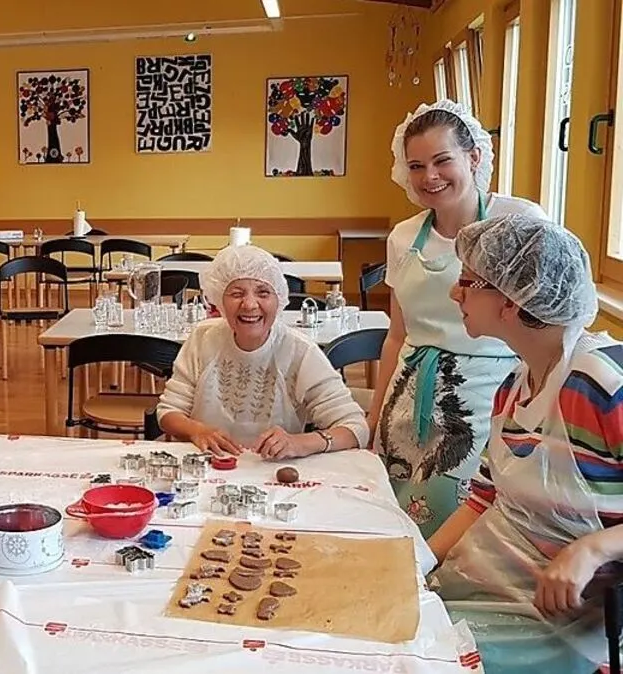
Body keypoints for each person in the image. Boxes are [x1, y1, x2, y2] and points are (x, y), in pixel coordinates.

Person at [426, 214, 618, 673]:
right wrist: (417, 561)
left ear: (511, 301)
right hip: (491, 595)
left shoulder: (602, 385)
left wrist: (593, 548)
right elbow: (484, 499)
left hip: (572, 629)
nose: (456, 293)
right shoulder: (514, 386)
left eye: (468, 282)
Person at [367, 100, 547, 536]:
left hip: (491, 398)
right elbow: (396, 336)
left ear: (474, 157)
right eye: (416, 165)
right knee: (397, 521)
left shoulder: (519, 221)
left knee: (465, 524)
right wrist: (372, 420)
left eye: (442, 160)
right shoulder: (404, 236)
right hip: (408, 396)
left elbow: (545, 326)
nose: (430, 176)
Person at [157, 244, 368, 457]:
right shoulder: (203, 339)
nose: (249, 304)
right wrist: (197, 431)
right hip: (206, 469)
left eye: (263, 293)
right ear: (219, 299)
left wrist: (299, 443)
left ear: (279, 301)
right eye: (236, 293)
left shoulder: (299, 351)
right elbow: (168, 412)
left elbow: (355, 428)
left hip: (274, 474)